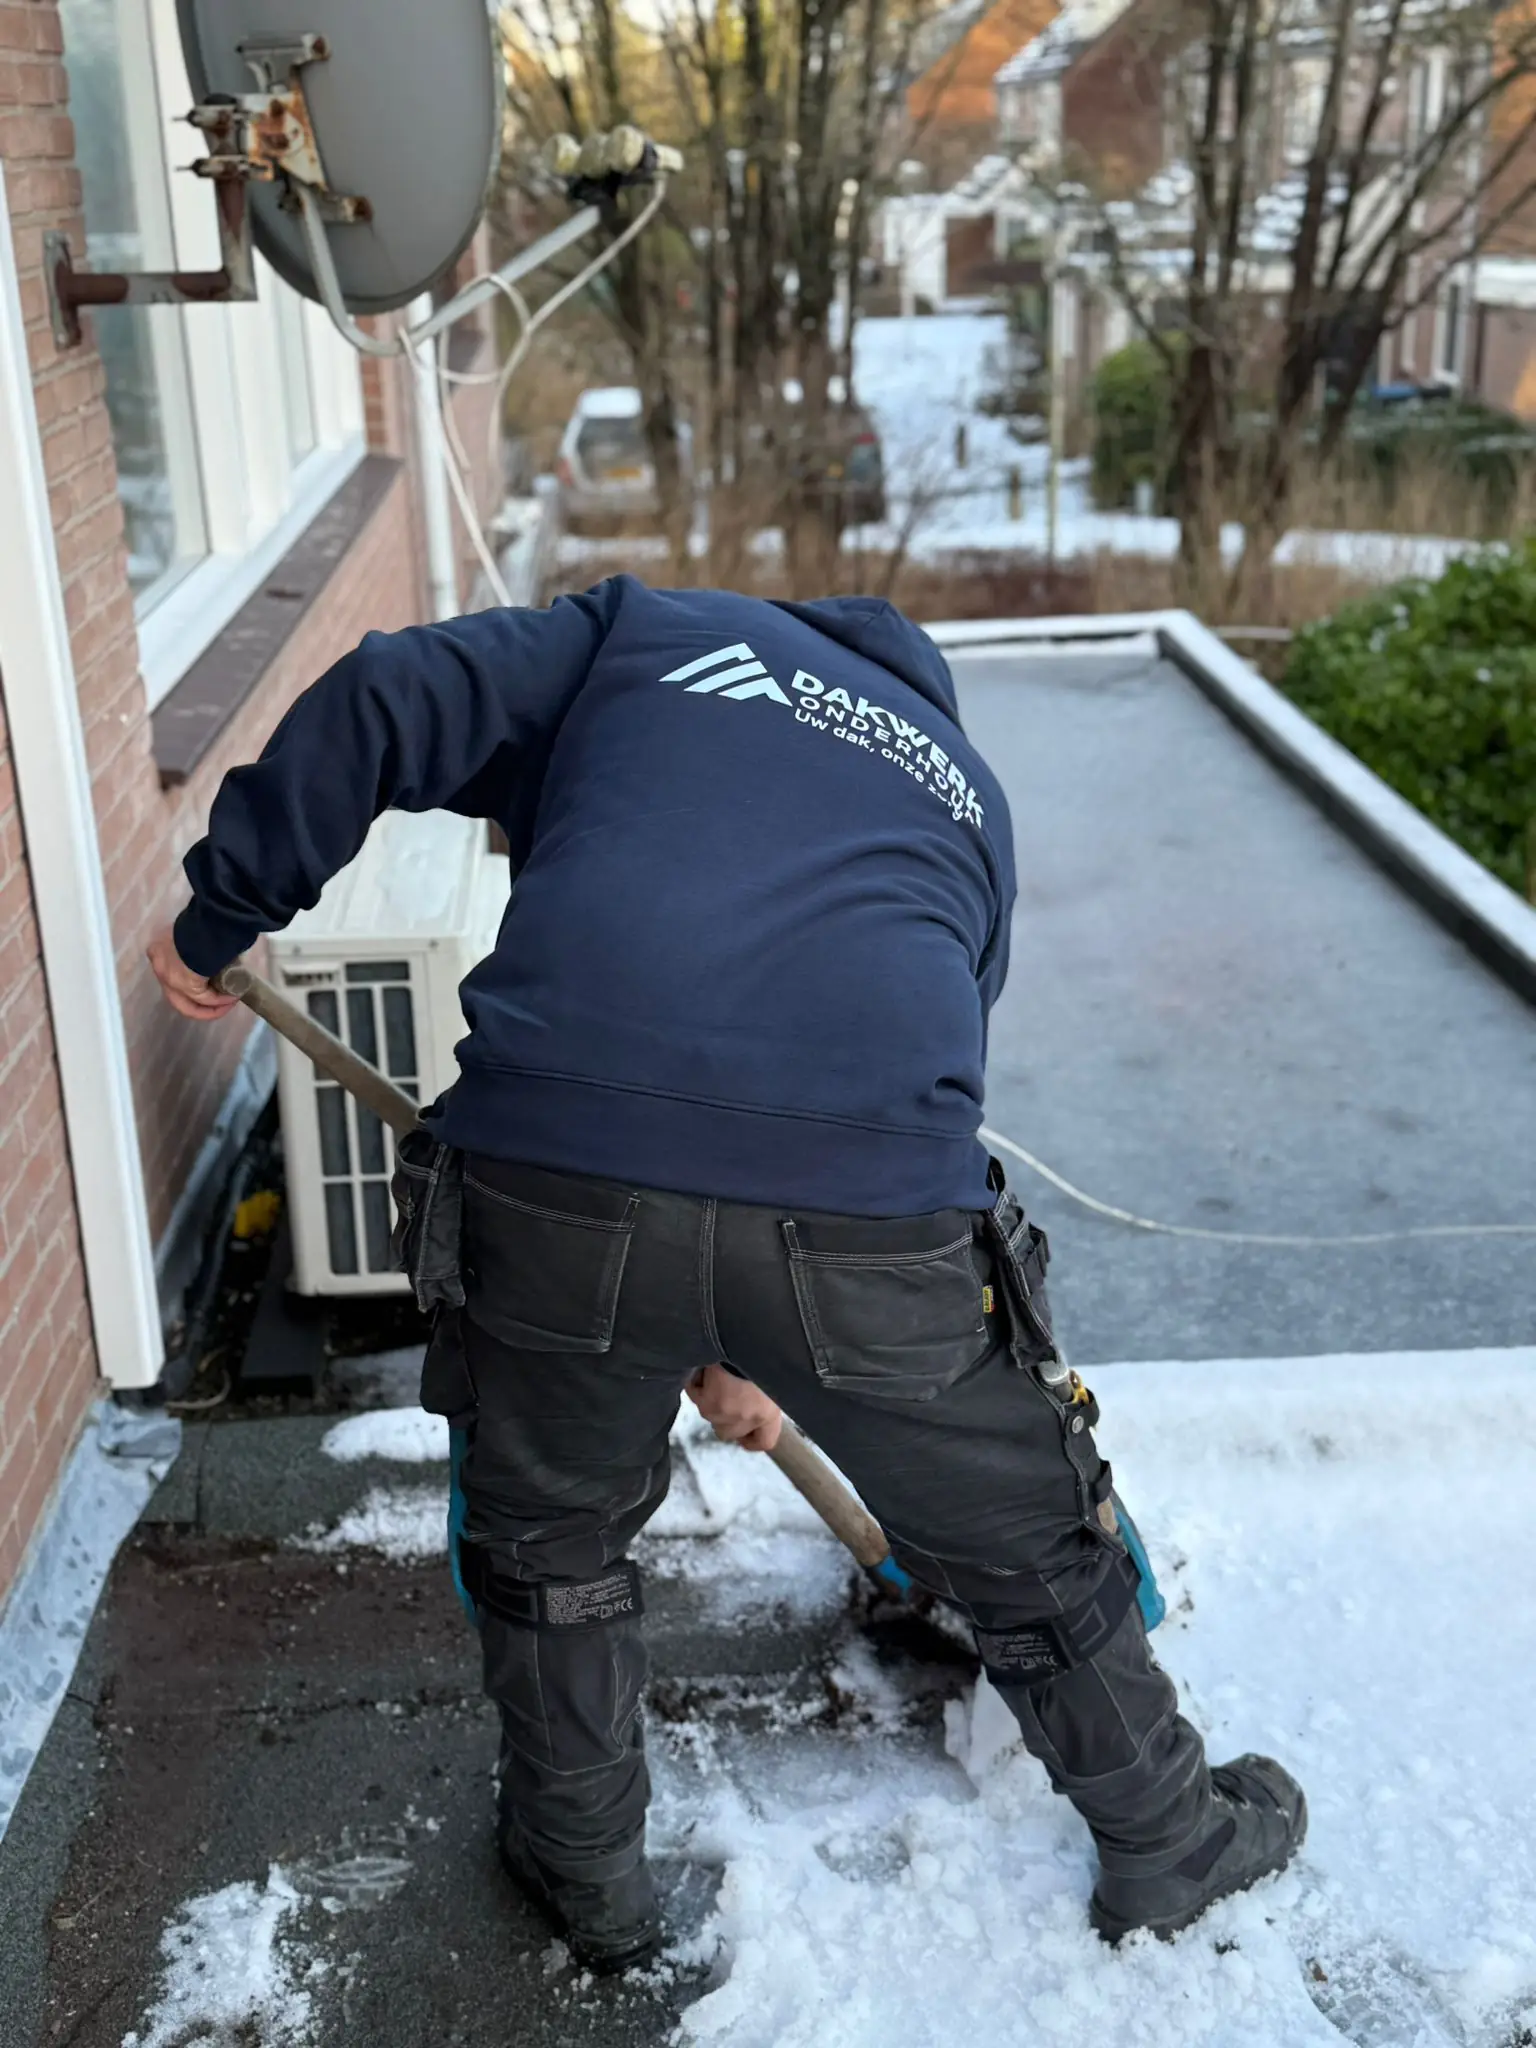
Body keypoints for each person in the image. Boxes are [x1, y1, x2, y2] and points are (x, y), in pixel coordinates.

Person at [148, 576, 1305, 1971]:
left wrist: (219, 917)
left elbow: (389, 693)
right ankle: (1169, 1840)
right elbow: (878, 1083)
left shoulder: (644, 637)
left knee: (550, 1543)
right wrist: (764, 1321)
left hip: (552, 1159)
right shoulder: (966, 793)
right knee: (1031, 1539)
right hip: (869, 1208)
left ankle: (584, 1875)